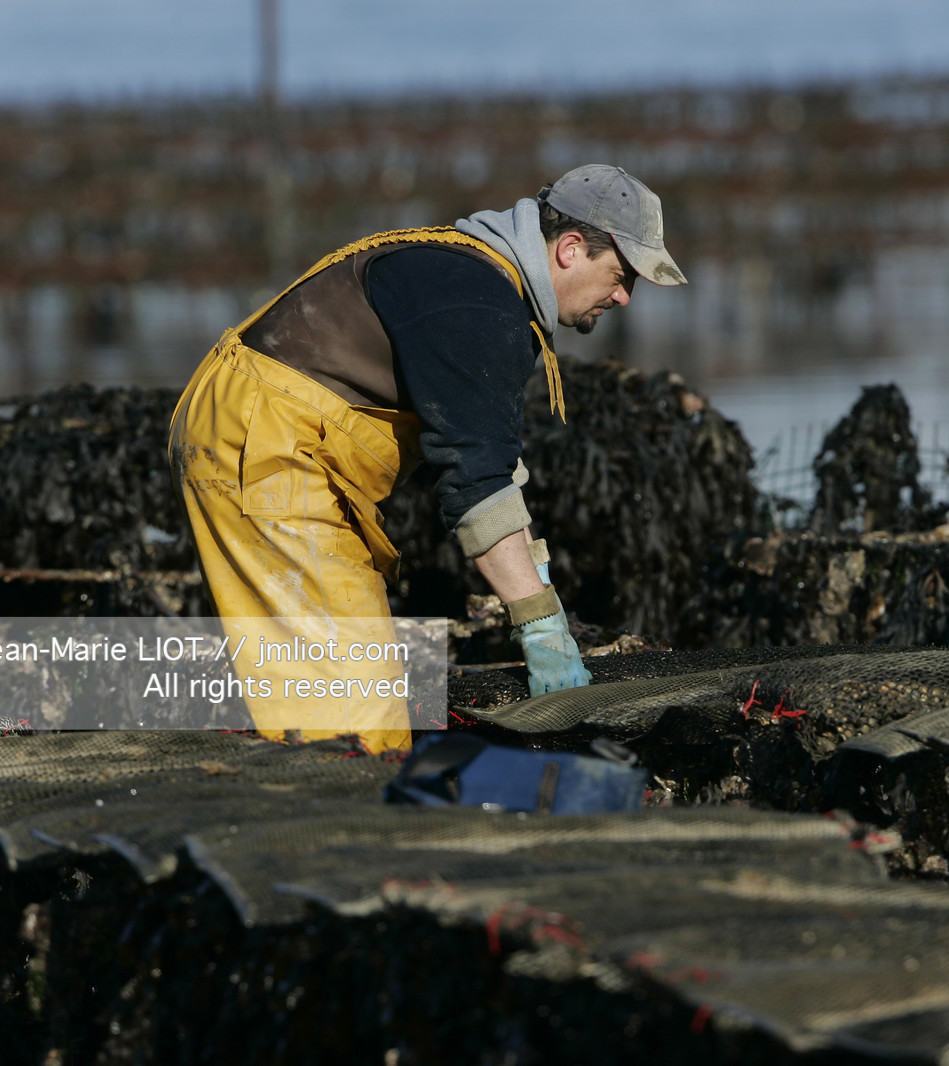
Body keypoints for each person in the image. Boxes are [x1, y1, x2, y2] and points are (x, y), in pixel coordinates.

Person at [169, 164, 686, 752]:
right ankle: (336, 823)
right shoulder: (478, 304)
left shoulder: (479, 279)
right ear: (570, 249)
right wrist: (543, 630)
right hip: (269, 450)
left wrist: (540, 587)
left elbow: (492, 463)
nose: (624, 296)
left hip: (268, 437)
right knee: (352, 703)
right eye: (621, 276)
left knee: (328, 677)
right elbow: (478, 489)